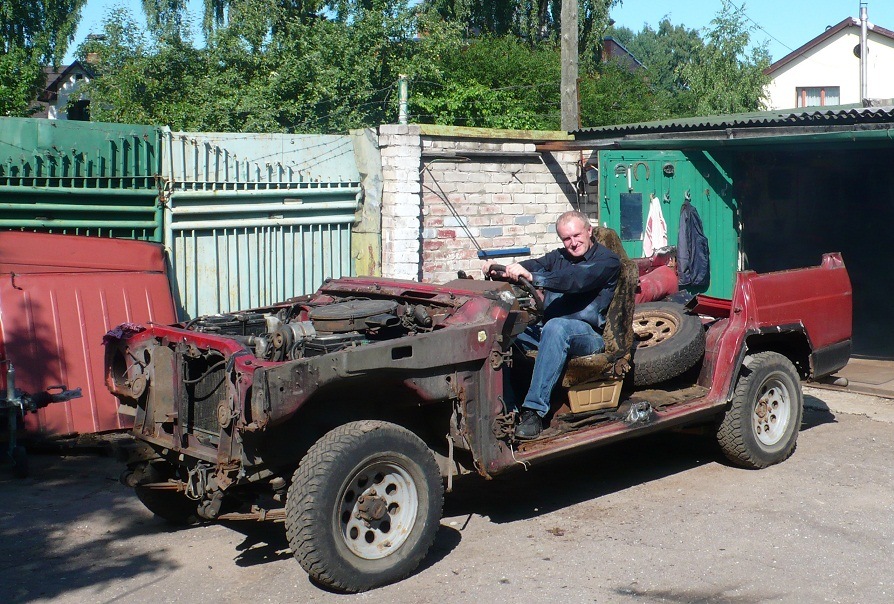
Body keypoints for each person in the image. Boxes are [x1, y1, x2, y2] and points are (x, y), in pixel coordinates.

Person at [483, 210, 620, 439]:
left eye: (577, 235)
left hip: (589, 336)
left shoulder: (607, 261)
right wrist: (502, 270)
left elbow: (576, 280)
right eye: (567, 238)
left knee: (557, 327)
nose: (573, 243)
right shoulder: (558, 257)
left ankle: (534, 411)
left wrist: (534, 277)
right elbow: (534, 265)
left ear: (589, 231)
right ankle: (506, 406)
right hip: (548, 329)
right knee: (504, 330)